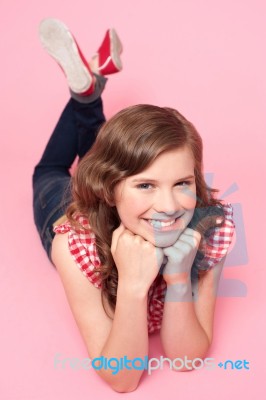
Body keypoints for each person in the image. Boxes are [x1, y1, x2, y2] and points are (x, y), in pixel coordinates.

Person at [33, 18, 235, 392]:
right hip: (72, 214)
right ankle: (89, 94)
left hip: (114, 186)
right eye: (147, 185)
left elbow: (186, 358)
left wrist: (177, 279)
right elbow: (123, 379)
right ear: (109, 191)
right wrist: (131, 286)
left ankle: (89, 92)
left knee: (111, 151)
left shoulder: (211, 230)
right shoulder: (75, 244)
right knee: (50, 169)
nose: (169, 205)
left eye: (182, 183)